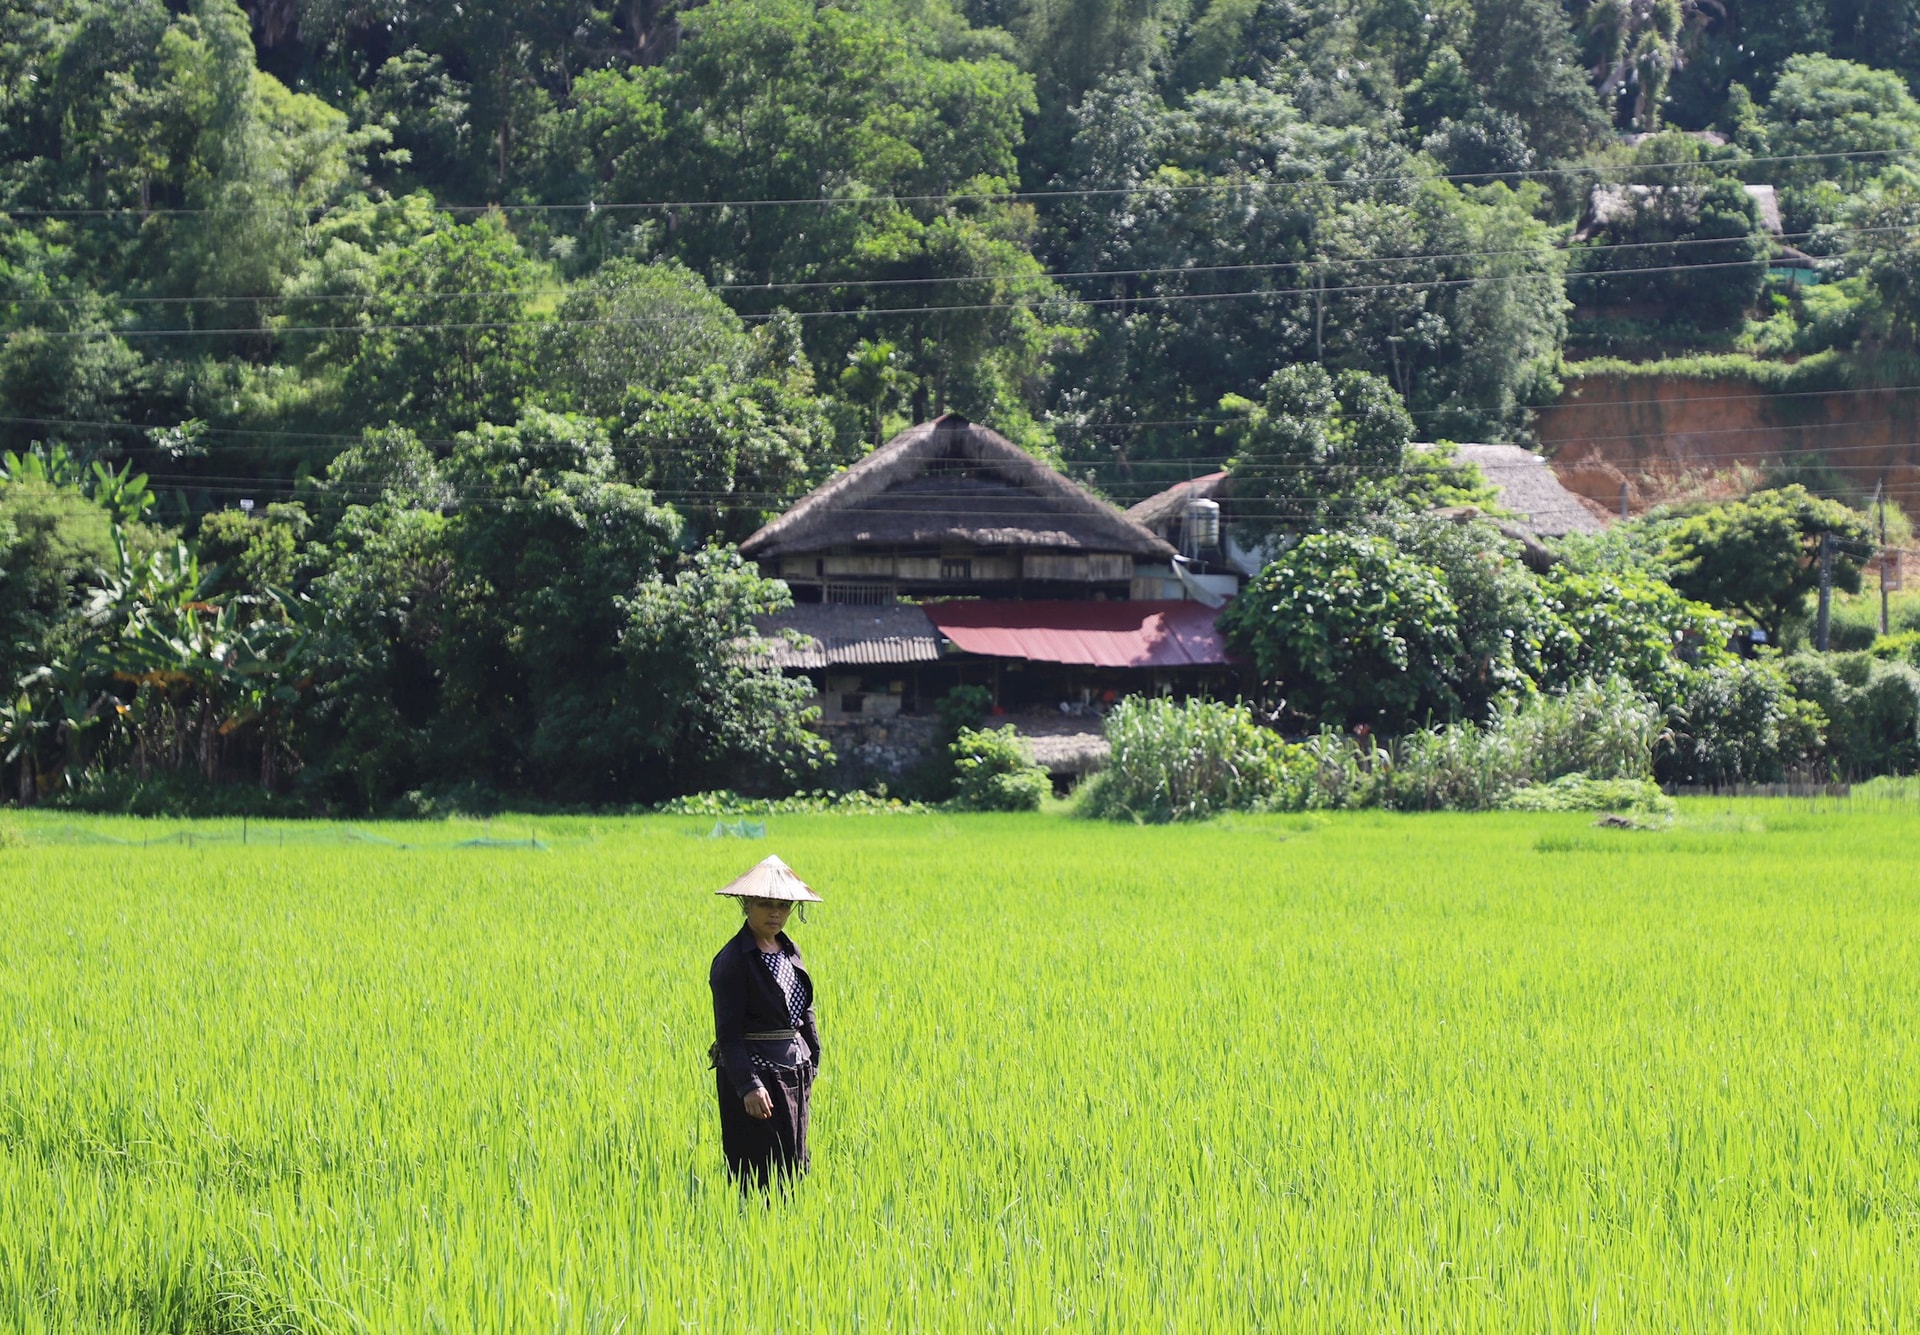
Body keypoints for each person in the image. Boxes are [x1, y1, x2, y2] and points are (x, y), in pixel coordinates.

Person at [708, 854, 823, 1190]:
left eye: (783, 905)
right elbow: (728, 1034)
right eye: (765, 904)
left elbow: (805, 1010)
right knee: (758, 1167)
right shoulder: (733, 960)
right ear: (747, 905)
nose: (775, 913)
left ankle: (790, 1219)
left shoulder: (789, 949)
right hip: (756, 1074)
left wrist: (813, 1057)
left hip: (793, 1071)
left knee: (793, 1162)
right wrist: (748, 1085)